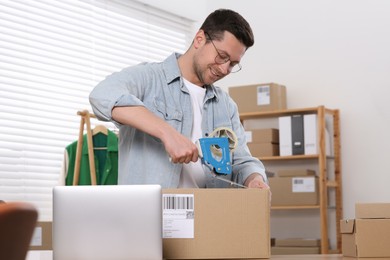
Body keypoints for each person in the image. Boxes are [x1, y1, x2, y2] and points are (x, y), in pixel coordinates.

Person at [89, 9, 269, 190]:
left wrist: (254, 178)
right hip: (150, 215)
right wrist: (168, 134)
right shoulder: (148, 78)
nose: (224, 69)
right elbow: (102, 95)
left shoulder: (226, 105)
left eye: (232, 64)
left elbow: (241, 160)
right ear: (199, 39)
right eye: (222, 57)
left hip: (208, 214)